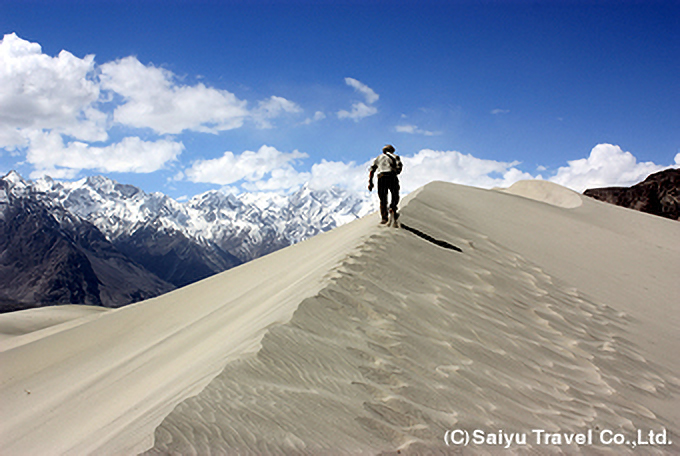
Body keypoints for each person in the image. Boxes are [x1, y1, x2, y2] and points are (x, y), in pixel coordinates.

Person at [368, 144, 403, 224]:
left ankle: (384, 218)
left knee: (383, 198)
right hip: (391, 176)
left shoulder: (378, 158)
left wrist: (370, 182)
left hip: (381, 177)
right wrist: (396, 172)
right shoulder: (395, 156)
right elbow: (399, 166)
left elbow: (372, 170)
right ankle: (393, 208)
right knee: (395, 194)